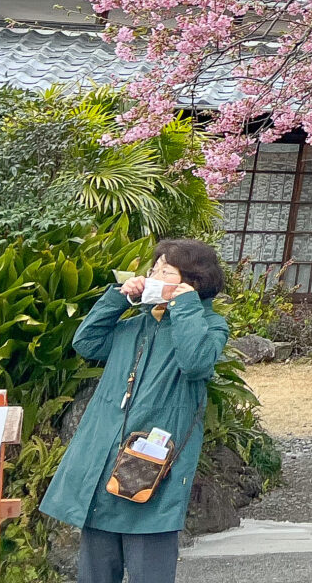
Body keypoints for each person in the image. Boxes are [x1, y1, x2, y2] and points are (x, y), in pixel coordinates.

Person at [41, 238, 230, 583]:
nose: (153, 275)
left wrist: (185, 305)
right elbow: (86, 342)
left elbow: (195, 362)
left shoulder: (210, 328)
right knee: (95, 573)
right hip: (103, 465)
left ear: (194, 282)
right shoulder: (134, 326)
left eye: (165, 271)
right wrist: (119, 297)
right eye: (153, 268)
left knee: (150, 572)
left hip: (151, 471)